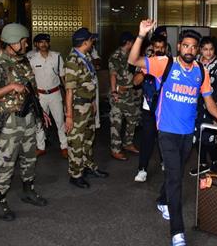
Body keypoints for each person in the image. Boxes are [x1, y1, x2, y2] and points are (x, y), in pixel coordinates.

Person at [128, 19, 217, 246]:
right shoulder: (164, 63)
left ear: (197, 50)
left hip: (188, 133)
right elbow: (133, 60)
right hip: (166, 131)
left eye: (193, 47)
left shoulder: (201, 71)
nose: (189, 50)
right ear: (179, 47)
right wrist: (141, 36)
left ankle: (162, 199)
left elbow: (208, 102)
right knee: (176, 178)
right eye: (185, 45)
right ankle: (177, 232)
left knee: (174, 172)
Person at [0, 23, 48, 221]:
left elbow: (31, 89)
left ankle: (29, 190)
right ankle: (0, 201)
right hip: (9, 121)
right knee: (7, 162)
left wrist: (40, 111)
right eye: (24, 41)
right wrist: (11, 86)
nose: (27, 44)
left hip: (28, 117)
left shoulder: (23, 61)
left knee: (30, 158)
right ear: (12, 42)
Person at [64, 28, 109, 189]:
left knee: (89, 138)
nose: (93, 42)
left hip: (88, 104)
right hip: (77, 108)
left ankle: (87, 167)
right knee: (76, 141)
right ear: (84, 43)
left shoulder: (86, 57)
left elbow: (89, 82)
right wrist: (69, 115)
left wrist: (93, 101)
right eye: (91, 40)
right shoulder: (72, 61)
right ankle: (75, 174)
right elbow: (69, 90)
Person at [189, 36, 217, 176]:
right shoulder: (195, 63)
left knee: (210, 138)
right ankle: (203, 163)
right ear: (200, 49)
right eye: (205, 49)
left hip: (211, 108)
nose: (208, 52)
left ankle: (215, 161)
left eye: (211, 49)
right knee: (197, 136)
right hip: (194, 107)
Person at [133, 34, 167, 182]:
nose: (159, 50)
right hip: (149, 107)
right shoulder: (144, 62)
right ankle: (142, 169)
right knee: (147, 138)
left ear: (165, 48)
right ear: (151, 47)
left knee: (165, 138)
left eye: (161, 47)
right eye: (156, 47)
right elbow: (135, 82)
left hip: (166, 108)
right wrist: (146, 69)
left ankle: (165, 161)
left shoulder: (170, 62)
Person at [28, 33, 68, 158]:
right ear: (36, 44)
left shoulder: (57, 57)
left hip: (55, 93)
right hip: (40, 95)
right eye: (41, 42)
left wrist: (67, 95)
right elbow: (30, 79)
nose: (43, 44)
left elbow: (63, 77)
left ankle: (64, 146)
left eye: (46, 42)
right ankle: (41, 147)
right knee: (39, 122)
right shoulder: (32, 59)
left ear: (48, 43)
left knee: (60, 121)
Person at [108, 31, 141, 161]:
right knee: (117, 122)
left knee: (133, 118)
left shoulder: (131, 55)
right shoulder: (116, 56)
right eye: (132, 42)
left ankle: (128, 143)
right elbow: (112, 75)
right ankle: (115, 149)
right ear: (128, 43)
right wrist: (114, 91)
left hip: (129, 94)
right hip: (119, 94)